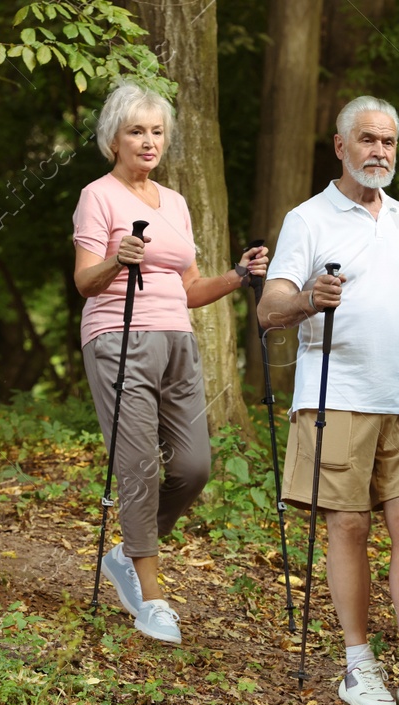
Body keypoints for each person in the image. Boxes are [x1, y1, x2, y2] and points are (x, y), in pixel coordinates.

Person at [257, 96, 399, 705]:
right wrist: (309, 299)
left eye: (389, 142)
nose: (380, 152)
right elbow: (270, 309)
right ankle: (357, 664)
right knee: (348, 526)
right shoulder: (308, 219)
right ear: (341, 146)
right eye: (368, 140)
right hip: (335, 394)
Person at [72, 82, 268, 645]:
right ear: (114, 138)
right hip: (118, 336)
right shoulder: (98, 195)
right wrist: (116, 259)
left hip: (177, 340)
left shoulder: (176, 202)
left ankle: (126, 552)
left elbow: (189, 288)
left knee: (193, 466)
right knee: (137, 466)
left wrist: (238, 275)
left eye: (157, 131)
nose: (149, 141)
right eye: (137, 130)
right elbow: (85, 282)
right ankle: (151, 597)